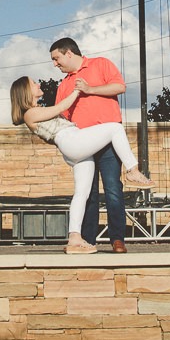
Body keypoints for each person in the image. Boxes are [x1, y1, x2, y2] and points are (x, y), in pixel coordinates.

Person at [9, 76, 151, 253]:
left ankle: (75, 238)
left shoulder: (36, 112)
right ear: (25, 92)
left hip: (72, 144)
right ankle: (133, 170)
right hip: (71, 140)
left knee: (81, 194)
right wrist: (78, 90)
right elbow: (62, 107)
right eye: (33, 84)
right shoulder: (30, 113)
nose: (38, 84)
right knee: (115, 128)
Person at [49, 36, 134, 253]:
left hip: (107, 141)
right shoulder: (64, 85)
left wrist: (90, 89)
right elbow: (61, 117)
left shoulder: (101, 64)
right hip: (83, 143)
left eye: (56, 58)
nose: (55, 64)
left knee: (113, 188)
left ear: (69, 53)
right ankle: (87, 240)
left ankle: (118, 239)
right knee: (87, 192)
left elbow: (120, 87)